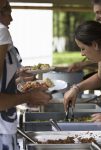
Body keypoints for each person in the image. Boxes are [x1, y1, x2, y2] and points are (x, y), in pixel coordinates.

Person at [0, 1, 51, 149]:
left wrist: (20, 81)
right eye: (7, 12)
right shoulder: (1, 31)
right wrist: (29, 97)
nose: (11, 19)